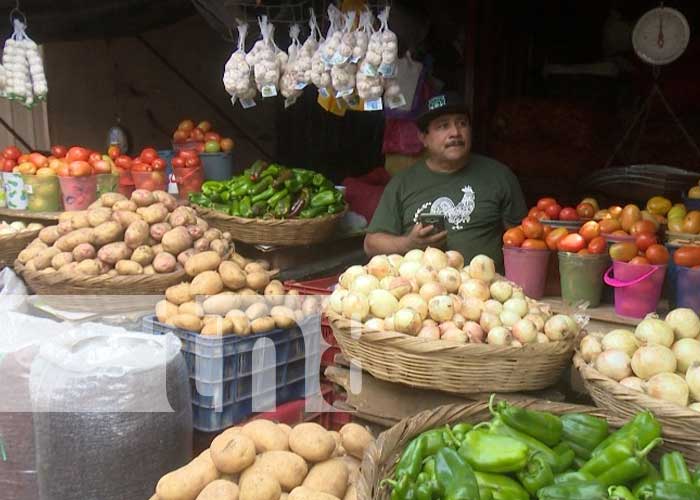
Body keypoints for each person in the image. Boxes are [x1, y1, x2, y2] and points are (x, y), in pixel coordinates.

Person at [364, 91, 527, 271]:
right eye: (443, 126)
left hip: (486, 292)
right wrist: (408, 243)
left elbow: (524, 242)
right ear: (423, 138)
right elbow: (371, 244)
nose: (455, 133)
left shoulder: (499, 176)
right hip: (422, 292)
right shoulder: (403, 182)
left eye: (462, 124)